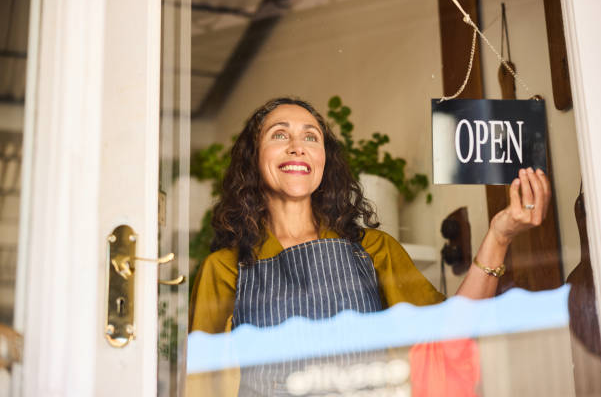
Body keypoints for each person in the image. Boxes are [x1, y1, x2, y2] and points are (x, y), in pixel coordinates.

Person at [188, 96, 551, 395]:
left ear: (324, 160)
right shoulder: (224, 268)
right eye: (279, 135)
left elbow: (448, 335)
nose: (298, 147)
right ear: (254, 157)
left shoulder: (373, 248)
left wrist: (499, 236)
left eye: (311, 137)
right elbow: (203, 383)